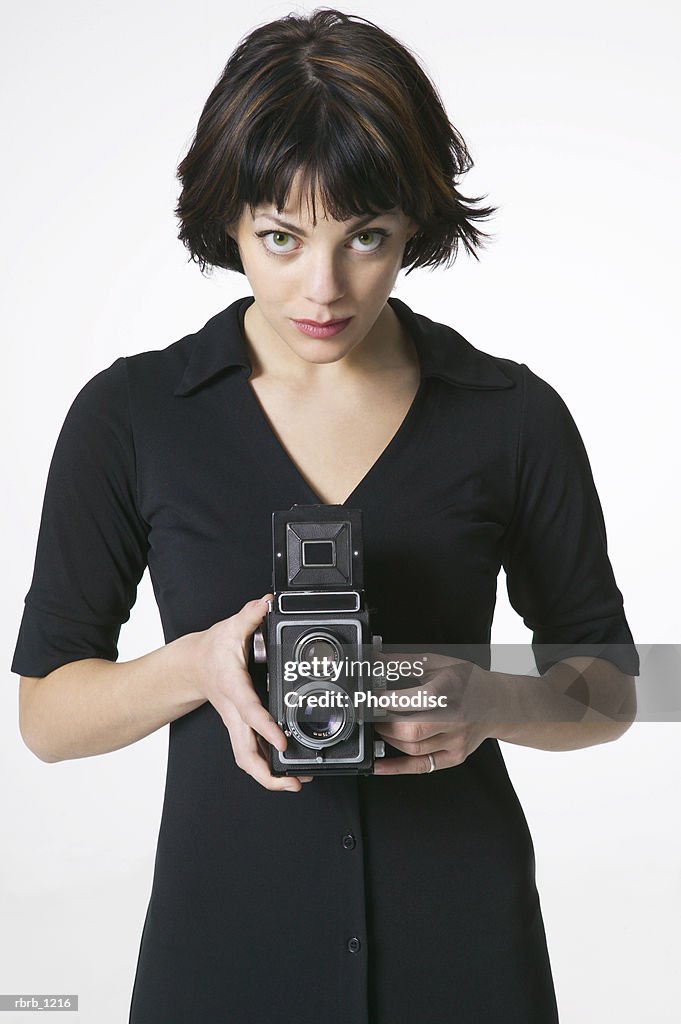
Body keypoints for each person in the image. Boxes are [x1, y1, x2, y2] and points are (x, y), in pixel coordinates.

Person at [12, 9, 639, 1023]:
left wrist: (490, 699)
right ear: (229, 219)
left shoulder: (511, 415)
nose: (323, 287)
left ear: (414, 228)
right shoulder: (131, 416)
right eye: (280, 237)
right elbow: (44, 713)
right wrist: (195, 667)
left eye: (366, 238)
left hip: (463, 946)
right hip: (223, 950)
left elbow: (615, 683)